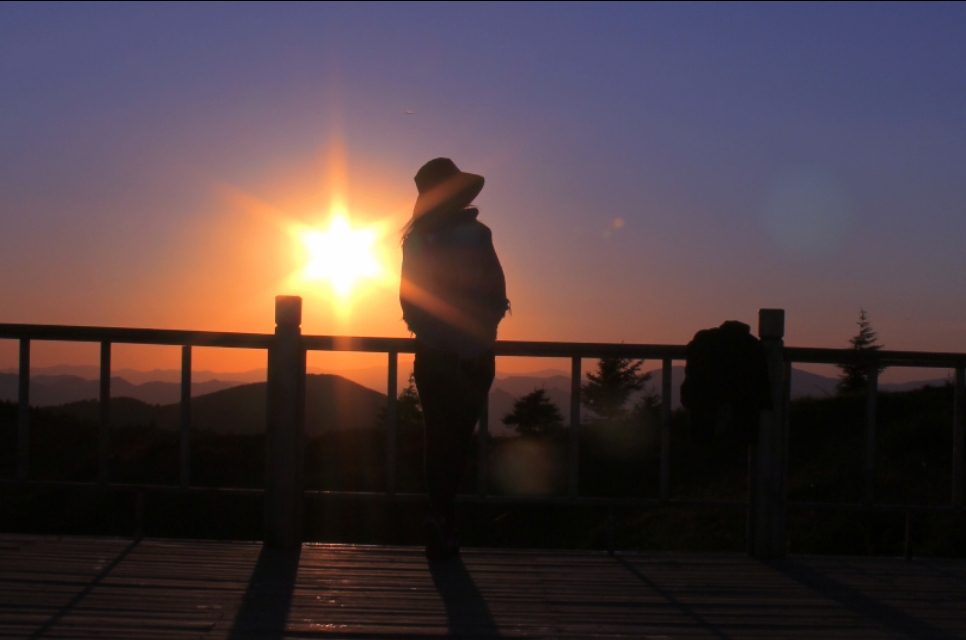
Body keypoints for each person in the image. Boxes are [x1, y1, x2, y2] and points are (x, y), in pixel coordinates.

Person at [399, 158, 509, 560]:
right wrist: (478, 331)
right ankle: (445, 521)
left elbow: (409, 302)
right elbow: (497, 292)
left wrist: (436, 333)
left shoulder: (415, 240)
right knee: (458, 440)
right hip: (476, 355)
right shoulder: (478, 234)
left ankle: (440, 518)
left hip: (431, 353)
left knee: (438, 437)